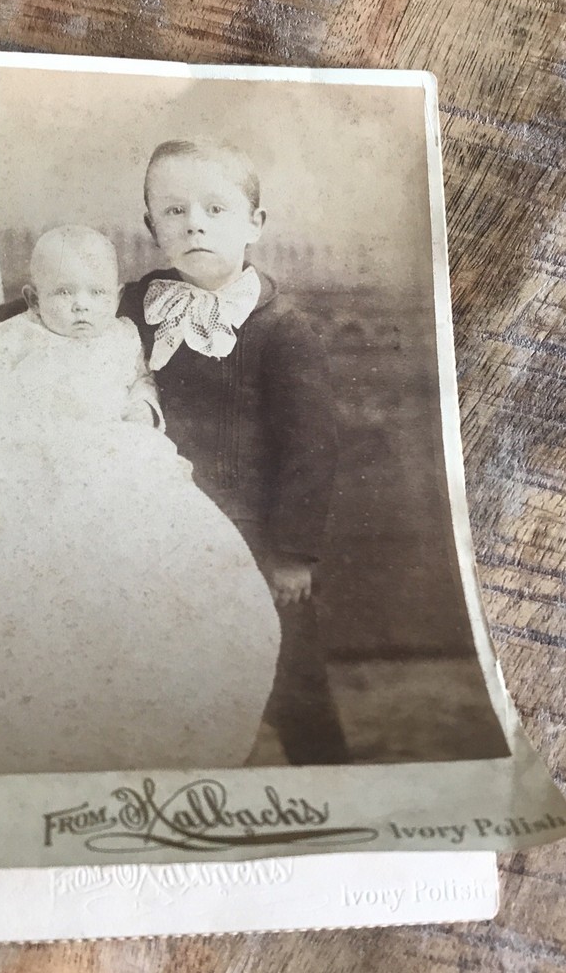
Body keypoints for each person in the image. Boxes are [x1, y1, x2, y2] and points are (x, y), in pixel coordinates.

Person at [0, 225, 281, 775]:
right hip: (27, 466)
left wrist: (142, 409)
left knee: (161, 563)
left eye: (94, 293)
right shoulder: (13, 339)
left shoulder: (120, 338)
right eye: (64, 295)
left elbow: (140, 383)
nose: (81, 307)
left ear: (115, 297)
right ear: (33, 299)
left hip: (112, 465)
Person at [120, 139, 349, 765]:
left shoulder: (282, 329)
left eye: (216, 208)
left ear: (255, 223)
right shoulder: (137, 307)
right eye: (173, 211)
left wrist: (294, 553)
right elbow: (67, 308)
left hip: (256, 535)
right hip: (164, 529)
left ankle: (333, 792)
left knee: (289, 675)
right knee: (189, 677)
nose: (194, 221)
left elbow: (311, 447)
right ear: (151, 228)